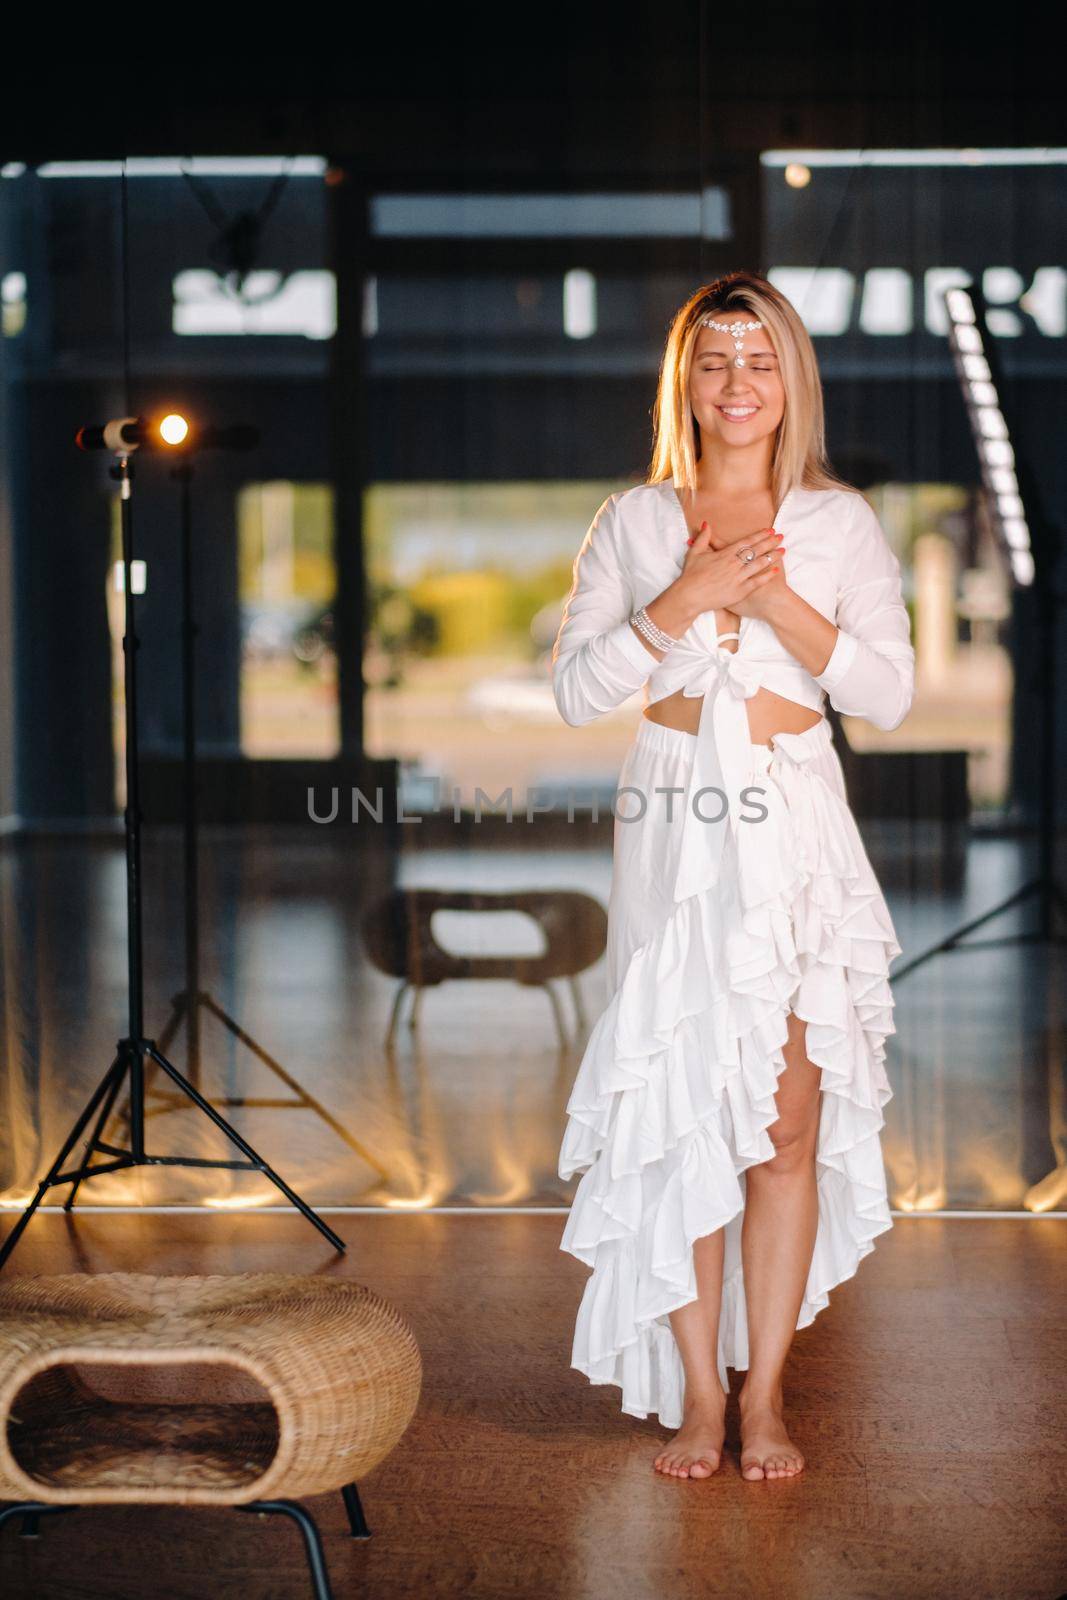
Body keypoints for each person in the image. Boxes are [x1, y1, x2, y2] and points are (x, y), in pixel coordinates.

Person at [552, 271, 915, 1483]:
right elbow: (574, 690)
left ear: (789, 380)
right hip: (672, 812)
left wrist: (773, 597)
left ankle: (765, 1394)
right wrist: (683, 597)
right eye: (713, 361)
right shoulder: (632, 521)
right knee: (683, 1106)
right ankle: (697, 1400)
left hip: (794, 813)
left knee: (782, 1123)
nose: (736, 383)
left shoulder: (840, 523)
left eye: (758, 360)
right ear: (685, 382)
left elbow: (884, 693)